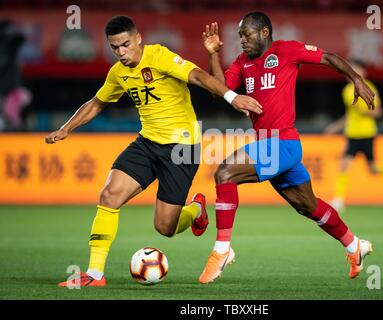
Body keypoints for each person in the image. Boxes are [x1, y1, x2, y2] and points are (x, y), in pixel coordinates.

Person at [46, 15, 262, 287]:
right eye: (115, 48)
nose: (122, 52)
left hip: (181, 149)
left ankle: (195, 210)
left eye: (125, 44)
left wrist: (232, 97)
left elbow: (197, 75)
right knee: (109, 195)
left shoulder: (159, 56)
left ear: (138, 38)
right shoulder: (118, 73)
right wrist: (67, 128)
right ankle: (95, 273)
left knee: (164, 228)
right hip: (147, 143)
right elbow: (97, 102)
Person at [198, 12, 376, 284]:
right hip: (269, 146)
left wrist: (357, 79)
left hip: (283, 143)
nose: (242, 41)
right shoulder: (242, 62)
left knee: (224, 173)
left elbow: (329, 57)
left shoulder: (287, 50)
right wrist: (213, 55)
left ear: (265, 32)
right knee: (308, 206)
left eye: (247, 35)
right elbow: (219, 90)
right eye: (240, 37)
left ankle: (221, 250)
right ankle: (355, 246)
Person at [325, 59, 383, 212]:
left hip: (367, 133)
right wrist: (336, 127)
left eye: (356, 69)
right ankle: (339, 199)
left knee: (372, 169)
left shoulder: (370, 88)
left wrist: (365, 112)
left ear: (364, 72)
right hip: (352, 134)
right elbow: (349, 115)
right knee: (344, 165)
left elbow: (378, 112)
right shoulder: (347, 91)